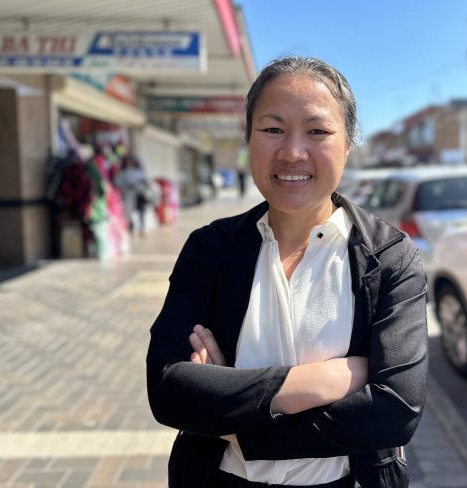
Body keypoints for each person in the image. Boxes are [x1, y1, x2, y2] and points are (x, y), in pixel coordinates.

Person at [147, 56, 428, 488]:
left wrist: (233, 414)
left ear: (348, 143)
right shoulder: (209, 250)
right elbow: (169, 389)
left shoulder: (389, 257)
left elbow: (394, 413)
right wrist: (319, 381)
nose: (292, 152)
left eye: (317, 131)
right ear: (248, 138)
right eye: (273, 129)